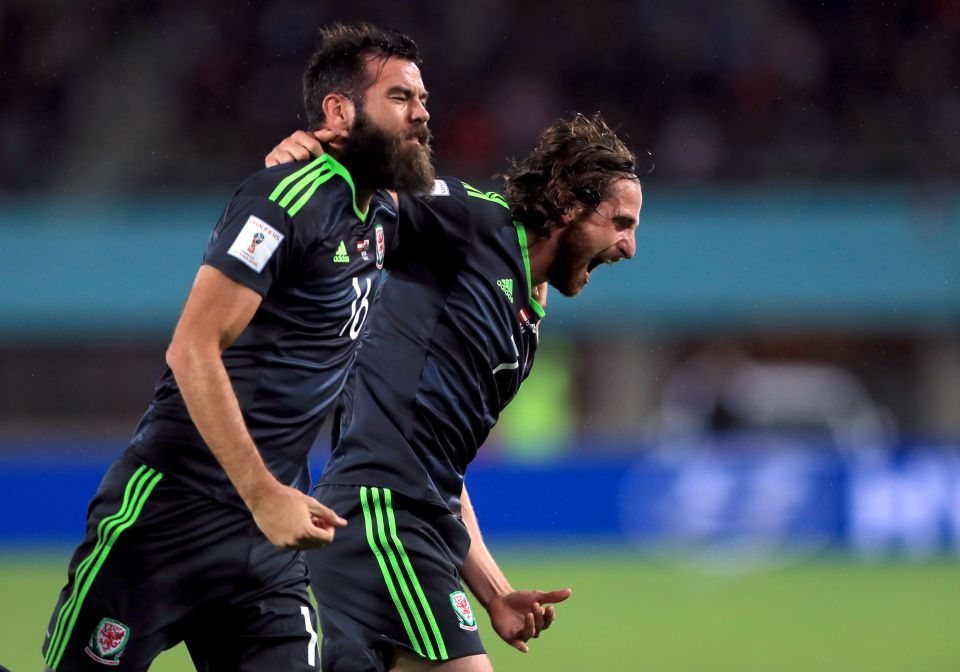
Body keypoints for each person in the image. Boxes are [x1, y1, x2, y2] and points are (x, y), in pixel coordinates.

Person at [42, 22, 435, 671]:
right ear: (339, 110)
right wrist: (262, 493)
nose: (421, 113)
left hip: (267, 551)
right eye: (400, 97)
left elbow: (480, 221)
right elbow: (192, 349)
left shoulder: (388, 216)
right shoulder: (281, 198)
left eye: (422, 98)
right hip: (166, 521)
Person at [267, 112, 642, 671]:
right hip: (381, 516)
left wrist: (494, 594)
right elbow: (378, 196)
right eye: (620, 223)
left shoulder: (526, 322)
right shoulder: (477, 225)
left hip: (403, 526)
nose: (629, 246)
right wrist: (315, 163)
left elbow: (446, 473)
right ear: (567, 204)